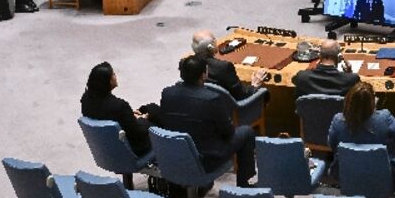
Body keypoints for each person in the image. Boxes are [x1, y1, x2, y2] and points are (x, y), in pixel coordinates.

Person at [159, 56, 257, 184]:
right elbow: (228, 131)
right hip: (206, 159)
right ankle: (244, 184)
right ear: (203, 75)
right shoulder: (212, 99)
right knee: (246, 132)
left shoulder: (167, 93)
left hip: (176, 155)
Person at [328, 82, 395, 193]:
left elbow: (331, 145)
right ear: (372, 102)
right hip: (382, 173)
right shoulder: (385, 117)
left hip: (349, 171)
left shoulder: (338, 120)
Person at [80, 62, 154, 156]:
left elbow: (105, 115)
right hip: (132, 149)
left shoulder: (85, 100)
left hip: (106, 147)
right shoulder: (120, 106)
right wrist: (142, 119)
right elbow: (138, 133)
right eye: (113, 74)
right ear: (108, 81)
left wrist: (128, 116)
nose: (116, 76)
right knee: (155, 116)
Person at [192, 30, 266, 100]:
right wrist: (254, 84)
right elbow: (241, 94)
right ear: (211, 47)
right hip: (226, 108)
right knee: (265, 93)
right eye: (214, 40)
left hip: (199, 105)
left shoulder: (187, 63)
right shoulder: (223, 67)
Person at [291, 40, 360, 98]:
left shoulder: (302, 77)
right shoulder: (351, 79)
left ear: (320, 56)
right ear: (338, 57)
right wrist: (349, 73)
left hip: (311, 113)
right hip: (339, 113)